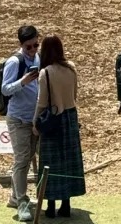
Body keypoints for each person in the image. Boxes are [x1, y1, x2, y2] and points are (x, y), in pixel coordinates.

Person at [33, 35, 85, 218]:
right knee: (68, 162)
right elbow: (75, 95)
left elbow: (41, 103)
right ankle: (66, 204)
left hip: (53, 120)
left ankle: (50, 205)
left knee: (50, 163)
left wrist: (35, 123)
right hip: (70, 118)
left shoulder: (45, 72)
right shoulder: (71, 68)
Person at [2, 25, 42, 218]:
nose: (33, 50)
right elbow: (5, 89)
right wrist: (23, 82)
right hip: (17, 118)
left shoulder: (37, 58)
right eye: (29, 47)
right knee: (22, 159)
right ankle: (22, 202)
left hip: (33, 117)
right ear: (21, 45)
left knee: (29, 157)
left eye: (36, 44)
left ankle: (15, 197)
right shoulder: (13, 62)